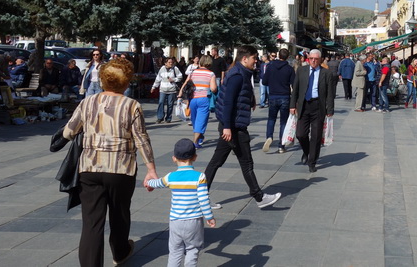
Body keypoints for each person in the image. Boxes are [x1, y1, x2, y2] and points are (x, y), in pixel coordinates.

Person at [62, 57, 158, 267]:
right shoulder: (132, 105)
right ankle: (120, 252)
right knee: (120, 213)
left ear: (103, 79)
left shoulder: (87, 102)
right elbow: (142, 139)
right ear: (127, 81)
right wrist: (151, 169)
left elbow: (69, 131)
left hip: (89, 168)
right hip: (121, 169)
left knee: (91, 223)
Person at [205, 45, 281, 210]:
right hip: (233, 127)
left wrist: (250, 100)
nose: (256, 61)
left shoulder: (241, 72)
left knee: (217, 162)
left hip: (233, 125)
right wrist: (226, 127)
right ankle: (259, 197)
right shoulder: (237, 75)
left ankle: (200, 197)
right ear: (244, 58)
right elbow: (228, 103)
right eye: (254, 58)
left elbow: (240, 94)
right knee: (245, 163)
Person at [146, 138, 216, 267]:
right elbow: (204, 199)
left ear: (174, 158)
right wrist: (209, 216)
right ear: (195, 157)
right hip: (193, 221)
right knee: (193, 249)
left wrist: (148, 182)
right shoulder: (200, 177)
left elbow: (158, 183)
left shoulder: (170, 177)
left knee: (175, 251)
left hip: (175, 221)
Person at [290, 49, 335, 173]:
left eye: (316, 59)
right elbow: (296, 89)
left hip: (318, 106)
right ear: (308, 59)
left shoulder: (326, 73)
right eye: (311, 58)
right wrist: (292, 105)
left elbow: (330, 93)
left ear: (320, 60)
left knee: (315, 136)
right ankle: (306, 151)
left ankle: (312, 161)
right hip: (304, 106)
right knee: (300, 134)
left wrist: (330, 109)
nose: (313, 61)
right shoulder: (301, 71)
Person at [262, 48, 296, 154]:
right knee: (283, 122)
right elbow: (294, 84)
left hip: (272, 96)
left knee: (271, 119)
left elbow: (264, 81)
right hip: (285, 96)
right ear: (287, 57)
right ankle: (281, 146)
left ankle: (269, 136)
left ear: (278, 55)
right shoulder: (289, 69)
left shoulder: (270, 66)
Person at [187, 55, 217, 148]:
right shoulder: (211, 74)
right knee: (201, 121)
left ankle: (200, 137)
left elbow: (187, 84)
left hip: (193, 98)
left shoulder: (193, 72)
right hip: (204, 99)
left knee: (195, 120)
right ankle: (195, 142)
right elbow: (213, 88)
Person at [153, 58, 182, 124]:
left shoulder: (175, 68)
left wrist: (174, 79)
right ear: (165, 63)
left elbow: (180, 77)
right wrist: (154, 87)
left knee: (170, 104)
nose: (171, 63)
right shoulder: (162, 69)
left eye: (171, 62)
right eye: (169, 62)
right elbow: (158, 78)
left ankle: (168, 118)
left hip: (172, 90)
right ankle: (160, 117)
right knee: (161, 102)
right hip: (163, 89)